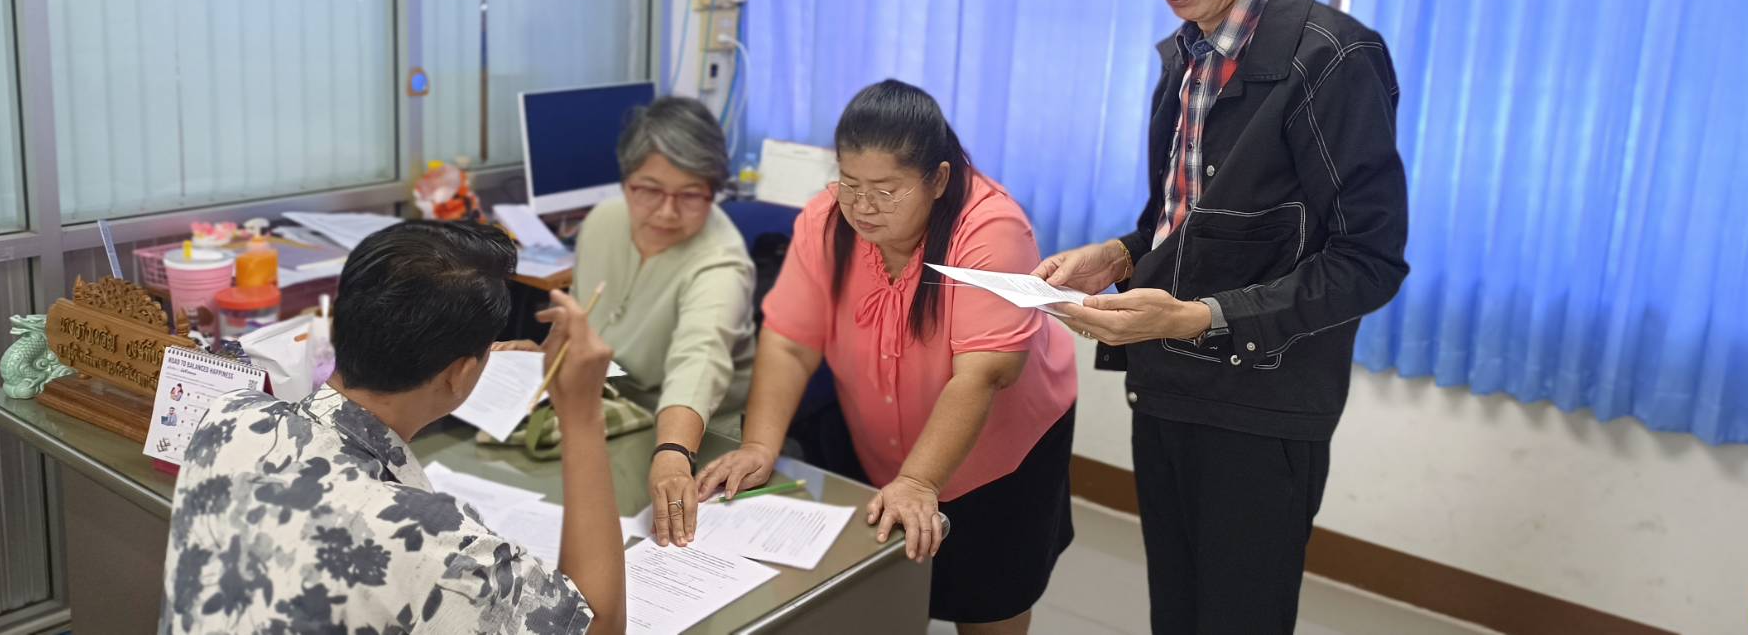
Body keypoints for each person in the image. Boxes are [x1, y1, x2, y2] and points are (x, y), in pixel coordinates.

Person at [1033, 0, 1409, 634]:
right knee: (1176, 610)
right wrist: (1118, 255)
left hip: (1263, 403)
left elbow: (1368, 261)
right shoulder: (1186, 54)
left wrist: (1198, 316)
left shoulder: (1331, 59)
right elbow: (1180, 220)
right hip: (1166, 383)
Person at [697, 80, 1078, 635]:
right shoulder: (826, 220)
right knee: (888, 596)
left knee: (989, 601)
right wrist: (759, 444)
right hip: (879, 439)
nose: (862, 207)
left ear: (938, 179)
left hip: (997, 453)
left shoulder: (991, 229)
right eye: (850, 183)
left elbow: (984, 374)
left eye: (886, 190)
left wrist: (919, 481)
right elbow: (789, 341)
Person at [160, 222, 626, 635]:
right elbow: (598, 624)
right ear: (461, 373)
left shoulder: (228, 417)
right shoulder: (430, 541)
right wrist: (581, 413)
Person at [551, 95, 756, 551]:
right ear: (626, 183)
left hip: (701, 438)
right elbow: (583, 321)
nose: (666, 212)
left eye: (690, 195)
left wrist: (673, 453)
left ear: (714, 192)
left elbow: (699, 359)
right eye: (649, 190)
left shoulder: (722, 264)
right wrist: (544, 354)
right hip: (614, 417)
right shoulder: (604, 221)